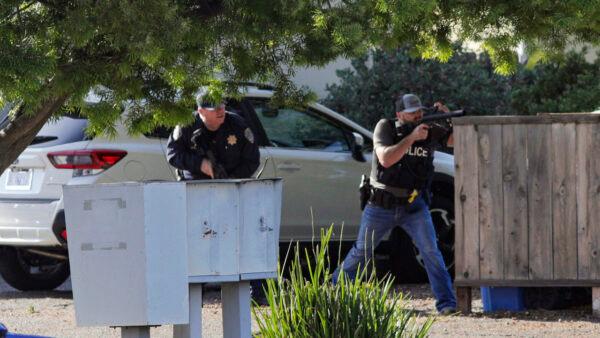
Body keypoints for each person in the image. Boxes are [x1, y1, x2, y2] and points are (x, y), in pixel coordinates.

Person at [333, 93, 457, 314]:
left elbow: (457, 140)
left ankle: (447, 304)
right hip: (382, 204)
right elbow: (386, 158)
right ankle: (334, 294)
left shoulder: (428, 128)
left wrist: (448, 119)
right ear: (399, 114)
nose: (417, 116)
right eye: (411, 114)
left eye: (419, 112)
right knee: (362, 251)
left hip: (414, 205)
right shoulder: (386, 127)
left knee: (431, 252)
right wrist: (411, 138)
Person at [166, 87, 266, 303]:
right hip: (196, 191)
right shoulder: (186, 125)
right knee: (197, 241)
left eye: (222, 106)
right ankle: (191, 294)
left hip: (231, 190)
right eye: (214, 108)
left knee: (243, 239)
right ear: (201, 110)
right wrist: (199, 164)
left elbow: (252, 161)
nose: (221, 111)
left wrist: (228, 179)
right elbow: (172, 154)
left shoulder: (238, 125)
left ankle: (256, 292)